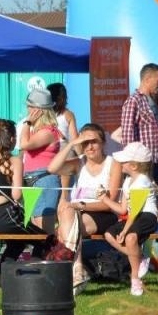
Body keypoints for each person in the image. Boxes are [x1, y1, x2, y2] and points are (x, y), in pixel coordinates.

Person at [49, 123, 122, 293]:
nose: (89, 147)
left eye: (93, 141)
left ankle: (72, 271)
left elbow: (109, 202)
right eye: (85, 143)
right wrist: (71, 144)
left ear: (103, 142)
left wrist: (80, 205)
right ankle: (77, 269)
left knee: (65, 225)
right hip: (76, 212)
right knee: (68, 213)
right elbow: (52, 168)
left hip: (103, 213)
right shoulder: (79, 163)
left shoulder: (113, 164)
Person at [0, 119, 42, 268]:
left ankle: (3, 271)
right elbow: (16, 195)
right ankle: (35, 272)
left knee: (18, 240)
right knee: (44, 238)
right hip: (3, 218)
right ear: (11, 139)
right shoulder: (15, 161)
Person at [100, 143, 158, 295]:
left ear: (133, 166)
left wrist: (124, 231)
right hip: (133, 217)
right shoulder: (127, 181)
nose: (120, 164)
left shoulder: (142, 182)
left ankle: (135, 279)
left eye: (123, 161)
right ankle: (138, 257)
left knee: (130, 238)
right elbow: (123, 209)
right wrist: (104, 198)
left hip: (147, 216)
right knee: (109, 234)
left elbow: (136, 211)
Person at [17, 87, 65, 228]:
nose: (27, 110)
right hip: (33, 179)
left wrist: (27, 123)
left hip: (43, 179)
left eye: (30, 107)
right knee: (34, 226)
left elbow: (24, 144)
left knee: (43, 227)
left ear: (38, 110)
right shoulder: (39, 131)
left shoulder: (47, 132)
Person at [117, 62, 158, 159]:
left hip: (155, 160)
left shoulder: (152, 101)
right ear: (147, 79)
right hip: (141, 161)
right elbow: (127, 135)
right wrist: (132, 161)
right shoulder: (134, 101)